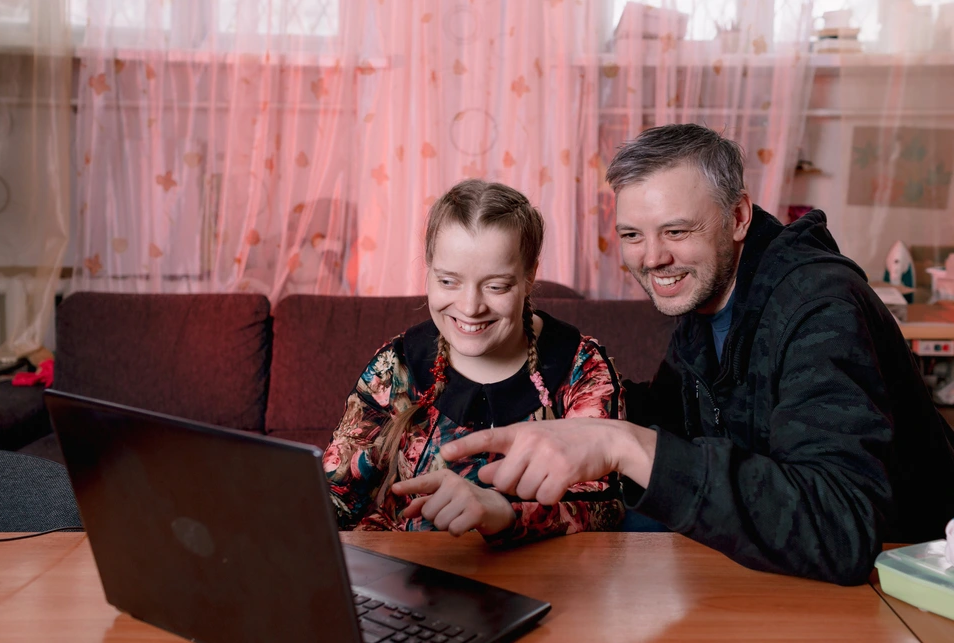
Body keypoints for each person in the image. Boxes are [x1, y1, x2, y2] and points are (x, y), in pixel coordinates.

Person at [440, 123, 954, 584]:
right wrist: (536, 349)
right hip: (772, 568)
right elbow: (668, 416)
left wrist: (624, 444)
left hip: (902, 585)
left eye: (677, 231)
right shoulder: (707, 298)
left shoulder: (821, 306)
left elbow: (840, 529)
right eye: (632, 236)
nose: (653, 257)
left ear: (737, 216)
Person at [323, 179, 625, 542]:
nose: (469, 307)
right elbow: (337, 494)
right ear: (429, 269)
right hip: (410, 576)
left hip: (543, 580)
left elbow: (605, 507)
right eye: (448, 281)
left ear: (530, 275)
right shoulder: (397, 365)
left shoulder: (580, 368)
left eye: (496, 286)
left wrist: (503, 512)